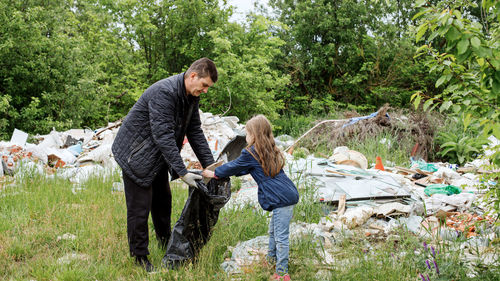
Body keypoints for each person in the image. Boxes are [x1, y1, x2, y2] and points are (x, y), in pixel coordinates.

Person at [112, 58, 217, 272]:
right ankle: (140, 257)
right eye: (204, 85)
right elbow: (163, 136)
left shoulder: (190, 97)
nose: (205, 91)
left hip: (156, 156)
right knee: (139, 209)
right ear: (193, 76)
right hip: (136, 155)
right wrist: (182, 172)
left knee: (163, 202)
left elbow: (194, 131)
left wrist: (212, 165)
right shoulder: (165, 92)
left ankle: (165, 242)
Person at [202, 115, 299, 281]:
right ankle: (271, 260)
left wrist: (215, 173)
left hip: (281, 198)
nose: (245, 136)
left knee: (281, 237)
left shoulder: (250, 152)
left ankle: (282, 273)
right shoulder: (267, 149)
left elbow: (235, 166)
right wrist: (227, 173)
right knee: (273, 232)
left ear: (254, 134)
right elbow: (247, 168)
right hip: (286, 193)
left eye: (246, 133)